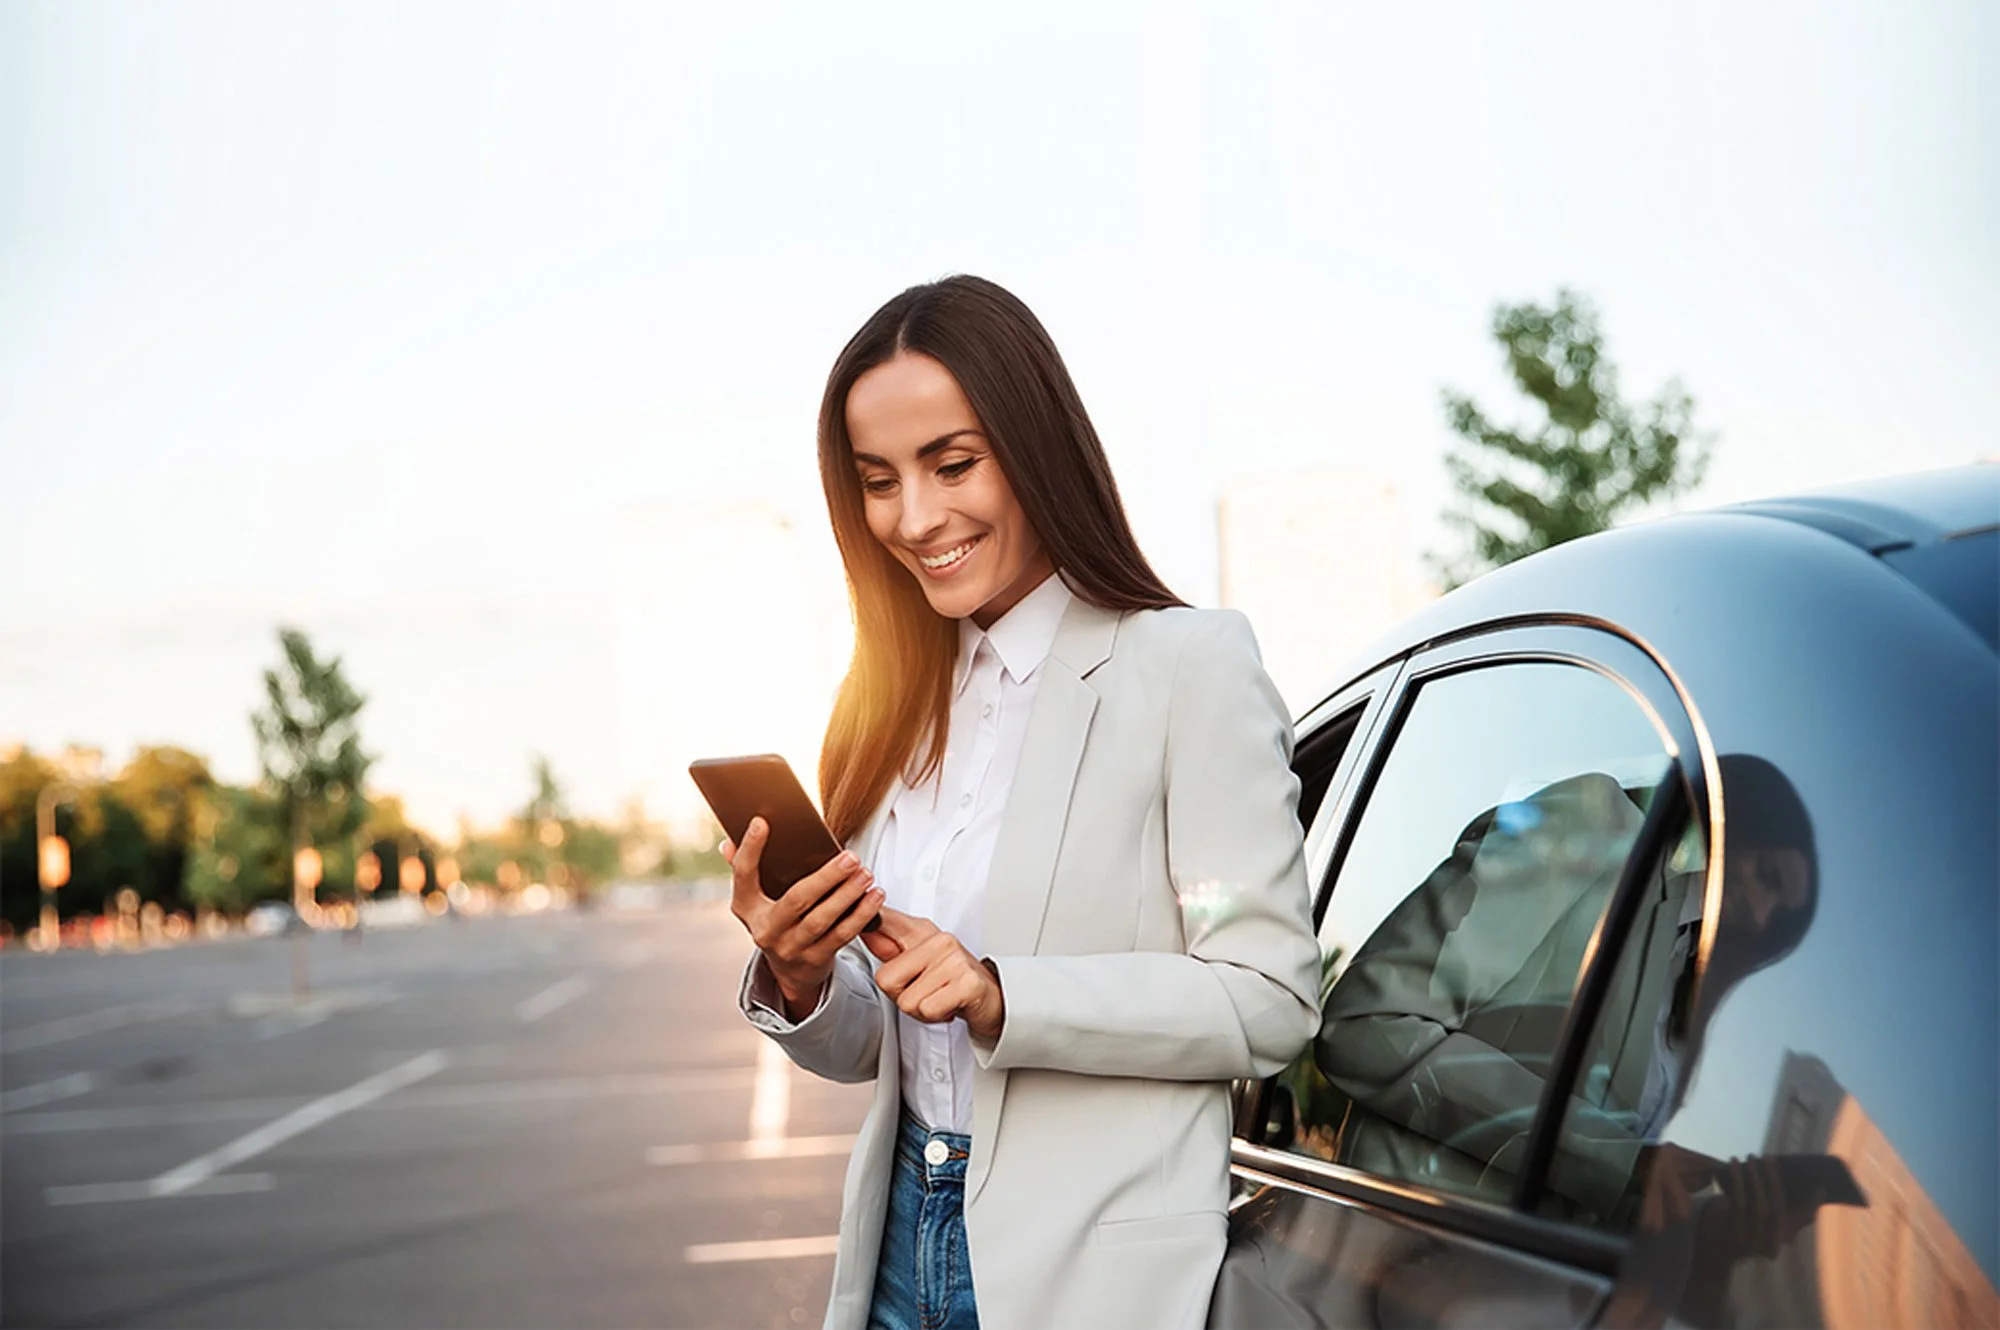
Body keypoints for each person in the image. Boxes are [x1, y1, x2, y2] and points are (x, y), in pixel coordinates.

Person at [723, 275, 1320, 1330]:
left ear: (1036, 447)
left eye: (952, 464)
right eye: (878, 481)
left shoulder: (1186, 668)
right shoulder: (887, 708)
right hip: (899, 1246)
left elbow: (1265, 996)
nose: (915, 518)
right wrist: (803, 976)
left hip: (1089, 1274)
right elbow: (877, 1047)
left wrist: (1004, 995)